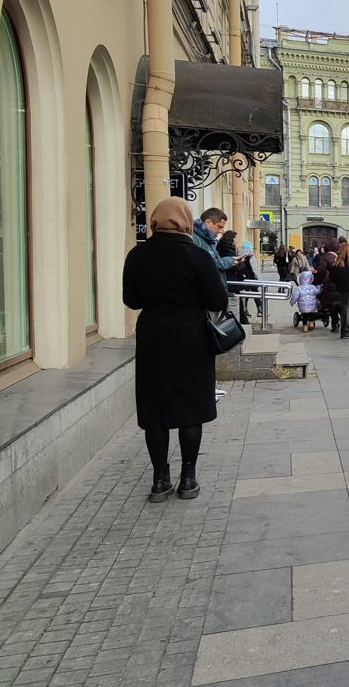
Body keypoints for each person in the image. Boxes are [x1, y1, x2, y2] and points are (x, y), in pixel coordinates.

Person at [122, 197, 227, 502]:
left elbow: (132, 300)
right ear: (184, 220)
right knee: (190, 408)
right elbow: (217, 301)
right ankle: (188, 479)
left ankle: (159, 481)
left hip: (153, 335)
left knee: (155, 409)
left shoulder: (138, 255)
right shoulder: (197, 256)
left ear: (155, 220)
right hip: (191, 336)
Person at [192, 207, 240, 290]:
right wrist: (231, 260)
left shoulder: (209, 240)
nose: (221, 231)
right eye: (219, 227)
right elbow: (212, 265)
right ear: (208, 222)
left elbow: (216, 263)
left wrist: (231, 260)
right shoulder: (196, 239)